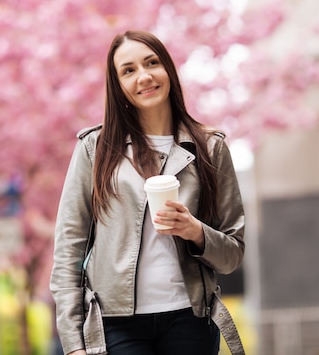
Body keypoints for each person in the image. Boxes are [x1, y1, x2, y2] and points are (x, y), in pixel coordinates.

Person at [50, 30, 246, 355]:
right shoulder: (95, 150)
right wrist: (73, 344)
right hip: (116, 323)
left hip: (191, 319)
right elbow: (69, 249)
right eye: (128, 70)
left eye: (151, 63)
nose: (144, 77)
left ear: (167, 68)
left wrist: (195, 231)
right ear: (118, 86)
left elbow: (233, 254)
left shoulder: (211, 149)